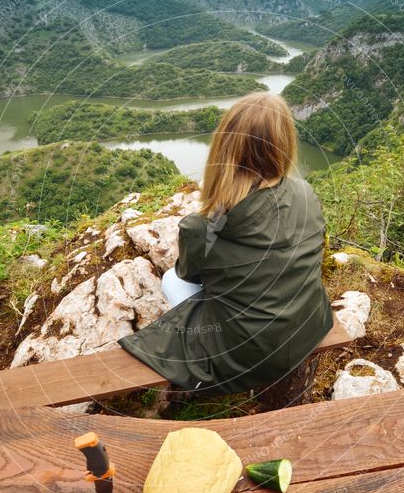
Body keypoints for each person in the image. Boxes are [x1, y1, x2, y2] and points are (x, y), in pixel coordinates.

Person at [117, 91, 333, 396]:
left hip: (246, 355)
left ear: (225, 147)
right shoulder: (305, 193)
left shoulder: (201, 228)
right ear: (284, 143)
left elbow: (189, 274)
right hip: (306, 326)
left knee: (170, 280)